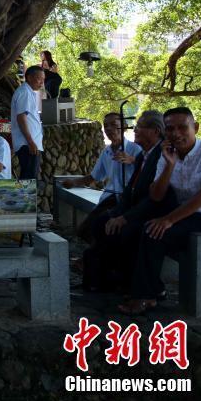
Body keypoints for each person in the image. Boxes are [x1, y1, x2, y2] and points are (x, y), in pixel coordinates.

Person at [120, 107, 201, 314]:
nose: (176, 134)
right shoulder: (167, 155)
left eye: (183, 127)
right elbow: (156, 195)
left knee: (154, 232)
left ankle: (146, 296)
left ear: (196, 128)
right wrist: (169, 166)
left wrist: (168, 220)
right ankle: (150, 288)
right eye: (170, 129)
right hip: (187, 214)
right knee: (137, 228)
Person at [81, 110, 165, 292]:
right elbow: (129, 191)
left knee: (124, 231)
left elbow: (154, 197)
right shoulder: (145, 154)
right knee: (100, 222)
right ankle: (104, 273)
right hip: (125, 201)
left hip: (150, 210)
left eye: (139, 127)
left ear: (155, 131)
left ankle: (138, 284)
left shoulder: (158, 155)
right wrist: (117, 213)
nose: (135, 130)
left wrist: (124, 216)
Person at [65, 112, 142, 208]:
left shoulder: (135, 149)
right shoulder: (106, 152)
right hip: (110, 198)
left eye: (113, 125)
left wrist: (133, 160)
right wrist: (73, 182)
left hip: (130, 200)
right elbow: (94, 177)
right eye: (106, 126)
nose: (109, 128)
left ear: (124, 127)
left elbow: (148, 171)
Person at [10, 65, 45, 180]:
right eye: (39, 79)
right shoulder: (24, 92)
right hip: (27, 144)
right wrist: (30, 141)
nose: (41, 83)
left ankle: (26, 198)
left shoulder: (28, 92)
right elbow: (21, 118)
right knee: (28, 181)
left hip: (29, 143)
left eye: (43, 80)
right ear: (29, 77)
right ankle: (25, 199)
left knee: (29, 179)